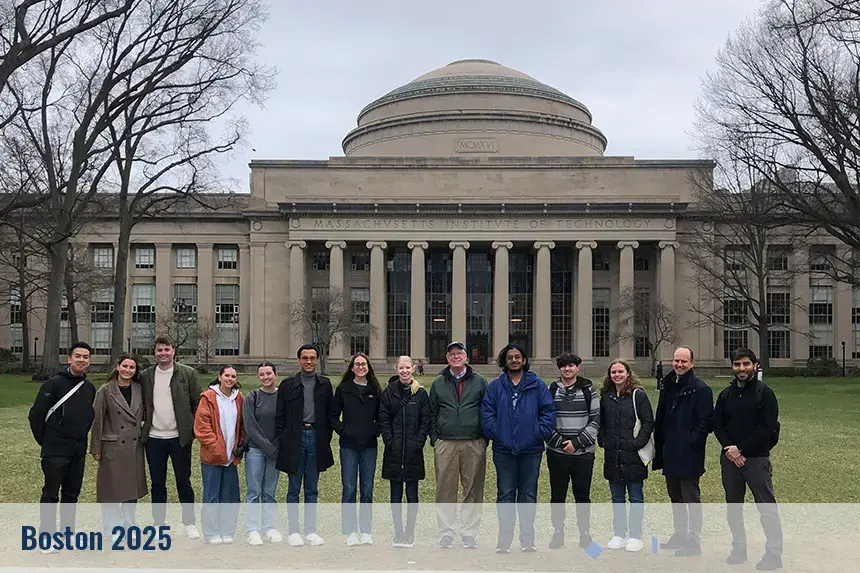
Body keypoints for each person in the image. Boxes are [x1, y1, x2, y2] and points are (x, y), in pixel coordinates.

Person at [713, 348, 783, 571]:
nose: (741, 369)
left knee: (766, 508)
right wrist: (729, 450)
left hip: (756, 460)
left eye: (745, 364)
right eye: (737, 364)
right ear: (732, 366)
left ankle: (773, 553)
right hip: (730, 460)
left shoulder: (765, 394)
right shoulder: (726, 395)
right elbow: (718, 425)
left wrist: (741, 449)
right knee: (733, 508)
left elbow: (767, 428)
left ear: (754, 365)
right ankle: (739, 547)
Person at [482, 343, 555, 554]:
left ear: (524, 360)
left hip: (531, 449)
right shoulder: (496, 386)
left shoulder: (537, 385)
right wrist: (497, 433)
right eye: (510, 357)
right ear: (505, 362)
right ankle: (504, 541)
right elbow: (487, 413)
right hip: (504, 449)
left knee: (528, 494)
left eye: (518, 357)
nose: (514, 360)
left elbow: (548, 412)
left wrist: (537, 432)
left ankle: (527, 540)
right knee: (505, 494)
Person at [28, 342, 97, 551]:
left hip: (78, 450)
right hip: (55, 450)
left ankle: (68, 534)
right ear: (69, 359)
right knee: (51, 494)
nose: (82, 360)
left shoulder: (89, 388)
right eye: (78, 356)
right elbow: (36, 416)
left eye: (86, 357)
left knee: (71, 494)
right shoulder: (53, 384)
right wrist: (47, 441)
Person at [139, 334, 202, 538]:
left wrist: (191, 430)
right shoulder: (146, 375)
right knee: (158, 482)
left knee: (183, 481)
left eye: (167, 349)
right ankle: (159, 522)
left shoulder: (188, 374)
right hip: (154, 438)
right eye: (159, 350)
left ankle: (189, 522)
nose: (163, 353)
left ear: (173, 351)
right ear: (154, 353)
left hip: (179, 438)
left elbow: (197, 404)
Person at [653, 346, 714, 557]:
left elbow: (706, 422)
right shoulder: (668, 385)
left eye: (683, 361)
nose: (679, 364)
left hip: (689, 452)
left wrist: (692, 441)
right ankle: (680, 533)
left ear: (692, 363)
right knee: (675, 496)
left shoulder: (700, 389)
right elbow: (661, 416)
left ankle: (693, 541)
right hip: (670, 450)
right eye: (676, 360)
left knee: (691, 498)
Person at [429, 341, 489, 549]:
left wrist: (483, 438)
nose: (456, 356)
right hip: (445, 442)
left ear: (466, 357)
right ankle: (446, 532)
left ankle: (468, 532)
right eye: (452, 354)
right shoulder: (438, 383)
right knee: (445, 488)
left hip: (473, 442)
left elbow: (487, 410)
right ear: (447, 359)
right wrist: (435, 438)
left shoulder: (480, 381)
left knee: (472, 488)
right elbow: (432, 412)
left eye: (459, 353)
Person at [275, 344, 334, 547]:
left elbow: (330, 415)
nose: (309, 361)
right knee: (293, 488)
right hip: (294, 439)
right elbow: (279, 416)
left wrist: (324, 438)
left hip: (316, 438)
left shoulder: (324, 385)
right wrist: (284, 438)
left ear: (317, 360)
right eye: (305, 358)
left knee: (312, 488)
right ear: (299, 360)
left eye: (312, 358)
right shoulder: (287, 385)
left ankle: (310, 531)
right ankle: (293, 531)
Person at [598, 360, 654, 553]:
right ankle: (619, 534)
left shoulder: (638, 395)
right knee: (617, 498)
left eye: (620, 371)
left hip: (633, 455)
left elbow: (648, 422)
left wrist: (637, 443)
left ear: (628, 373)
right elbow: (601, 422)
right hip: (613, 454)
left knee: (636, 497)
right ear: (610, 375)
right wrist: (603, 440)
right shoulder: (606, 396)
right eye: (613, 372)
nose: (617, 375)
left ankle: (635, 536)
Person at [545, 352, 599, 550]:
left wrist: (576, 443)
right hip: (556, 452)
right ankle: (558, 531)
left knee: (582, 495)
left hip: (583, 453)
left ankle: (584, 533)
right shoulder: (551, 390)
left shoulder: (589, 391)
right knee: (557, 495)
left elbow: (595, 421)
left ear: (578, 367)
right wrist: (559, 443)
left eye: (571, 365)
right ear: (559, 369)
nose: (567, 369)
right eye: (563, 366)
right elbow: (545, 420)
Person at [90, 354, 148, 540]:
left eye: (132, 367)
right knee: (111, 491)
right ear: (117, 367)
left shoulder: (139, 389)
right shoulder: (105, 391)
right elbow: (97, 421)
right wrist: (96, 448)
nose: (128, 370)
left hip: (134, 447)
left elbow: (145, 413)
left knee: (131, 491)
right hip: (112, 447)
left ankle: (130, 526)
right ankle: (112, 529)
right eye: (125, 366)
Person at [330, 352, 382, 546]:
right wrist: (343, 431)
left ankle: (366, 531)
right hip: (349, 446)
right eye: (357, 364)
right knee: (349, 488)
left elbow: (381, 416)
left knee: (367, 488)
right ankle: (350, 531)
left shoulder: (375, 390)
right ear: (352, 368)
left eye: (364, 364)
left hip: (369, 445)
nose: (361, 367)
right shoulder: (344, 389)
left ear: (368, 368)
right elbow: (333, 416)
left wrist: (374, 431)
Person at [379, 356, 430, 548]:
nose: (404, 371)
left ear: (414, 369)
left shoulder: (421, 394)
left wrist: (419, 442)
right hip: (394, 451)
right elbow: (383, 419)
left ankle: (410, 533)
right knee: (395, 496)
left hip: (413, 452)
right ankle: (398, 532)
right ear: (396, 369)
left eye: (408, 367)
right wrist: (389, 441)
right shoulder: (388, 393)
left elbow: (425, 421)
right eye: (401, 368)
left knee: (412, 495)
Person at [194, 366, 245, 544]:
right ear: (219, 377)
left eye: (233, 376)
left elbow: (242, 424)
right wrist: (216, 448)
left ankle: (227, 530)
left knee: (230, 496)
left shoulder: (239, 398)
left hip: (231, 457)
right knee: (211, 496)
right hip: (213, 457)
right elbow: (202, 427)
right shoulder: (208, 398)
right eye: (227, 375)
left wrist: (240, 446)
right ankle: (211, 533)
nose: (230, 379)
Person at [243, 361, 283, 546]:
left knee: (270, 492)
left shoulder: (283, 397)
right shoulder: (252, 397)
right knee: (254, 491)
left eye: (269, 373)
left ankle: (269, 527)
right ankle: (253, 529)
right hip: (255, 451)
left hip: (276, 451)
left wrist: (276, 447)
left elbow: (286, 423)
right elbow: (250, 426)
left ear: (275, 374)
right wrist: (267, 446)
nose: (266, 377)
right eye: (262, 374)